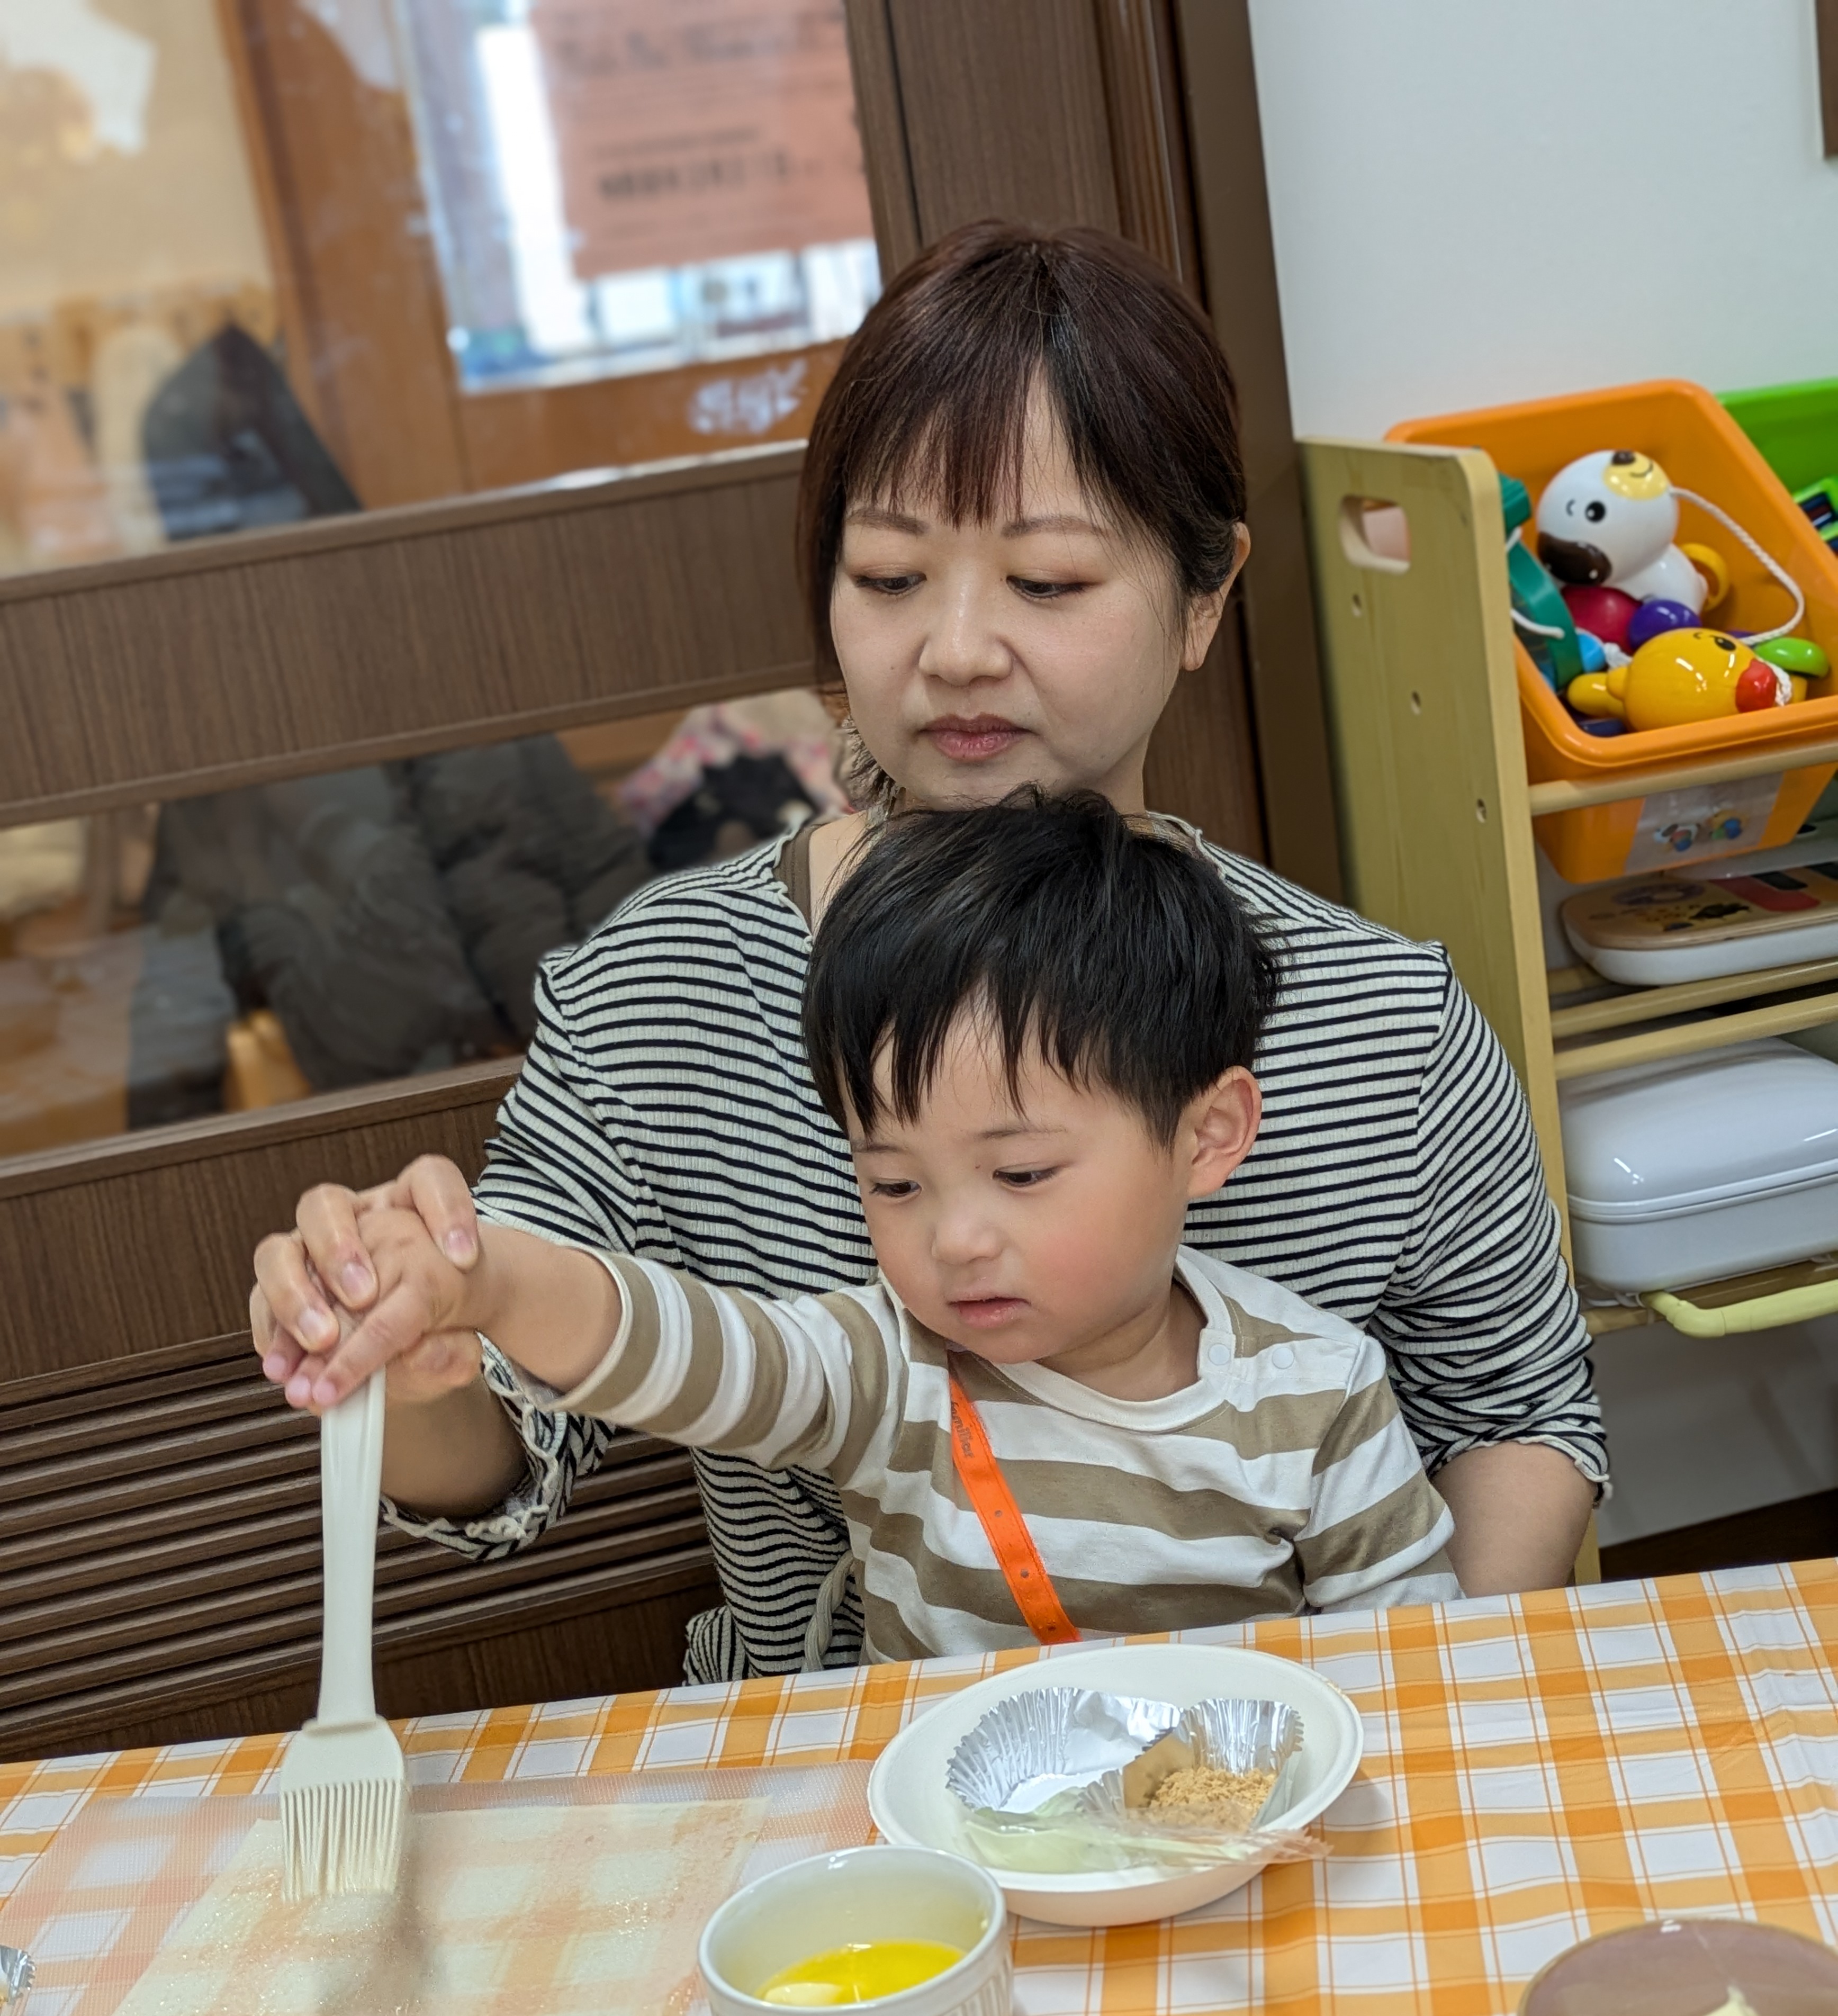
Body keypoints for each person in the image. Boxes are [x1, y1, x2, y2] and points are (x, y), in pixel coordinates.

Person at [250, 220, 1603, 1683]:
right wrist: (412, 1346)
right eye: (892, 577)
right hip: (851, 1781)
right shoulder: (660, 998)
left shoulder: (1378, 1020)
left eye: (1049, 583)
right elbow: (510, 1451)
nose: (956, 649)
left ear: (1205, 595)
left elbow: (1523, 1416)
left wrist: (1406, 1701)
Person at [288, 797, 1461, 1659]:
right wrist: (487, 1280)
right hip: (956, 1868)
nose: (953, 1238)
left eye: (1020, 1169)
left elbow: (1417, 1675)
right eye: (893, 1183)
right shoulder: (884, 1366)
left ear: (1206, 1136)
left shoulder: (1318, 1390)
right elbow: (681, 1347)